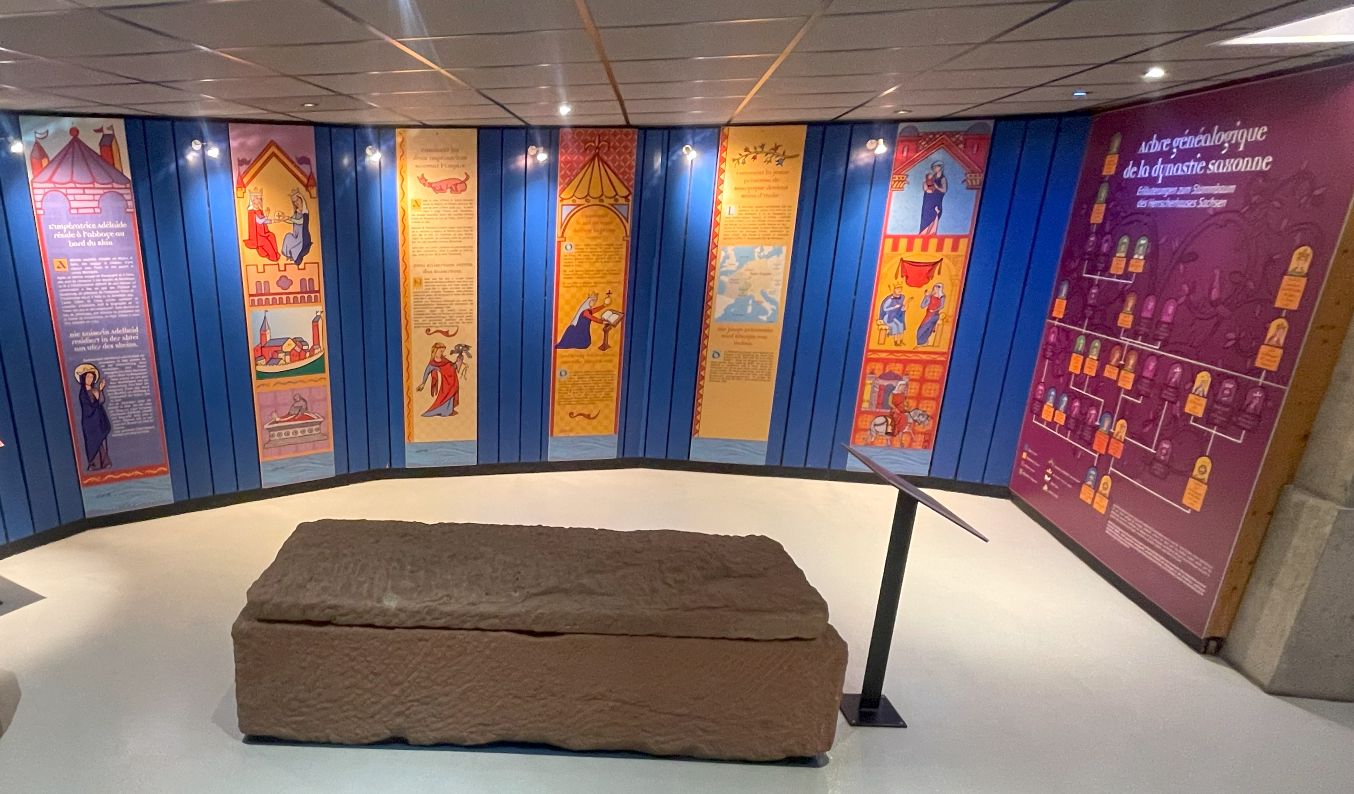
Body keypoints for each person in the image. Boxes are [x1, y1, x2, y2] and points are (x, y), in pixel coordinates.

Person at [75, 364, 112, 471]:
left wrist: (100, 390)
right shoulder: (83, 393)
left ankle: (104, 462)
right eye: (88, 377)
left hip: (97, 419)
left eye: (91, 377)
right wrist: (97, 395)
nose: (90, 379)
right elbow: (89, 406)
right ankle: (94, 464)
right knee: (92, 442)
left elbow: (101, 401)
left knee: (99, 441)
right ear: (83, 378)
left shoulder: (94, 390)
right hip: (89, 421)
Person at [416, 343, 461, 417]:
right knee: (443, 397)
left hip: (452, 381)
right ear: (435, 351)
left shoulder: (444, 360)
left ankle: (448, 411)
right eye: (441, 351)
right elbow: (427, 372)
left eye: (443, 351)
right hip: (445, 383)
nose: (442, 353)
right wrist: (423, 383)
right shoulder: (433, 363)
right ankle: (441, 411)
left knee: (450, 396)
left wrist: (457, 362)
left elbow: (452, 367)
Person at [243, 190, 279, 261]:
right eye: (257, 198)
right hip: (257, 236)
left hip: (263, 233)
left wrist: (273, 221)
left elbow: (264, 221)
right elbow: (259, 221)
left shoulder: (259, 210)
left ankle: (273, 254)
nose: (259, 200)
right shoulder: (251, 212)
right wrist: (266, 215)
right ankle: (273, 257)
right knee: (266, 243)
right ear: (253, 200)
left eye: (260, 198)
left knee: (271, 236)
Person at [281, 188, 313, 264]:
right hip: (296, 235)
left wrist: (290, 218)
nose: (296, 203)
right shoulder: (296, 212)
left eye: (297, 200)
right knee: (288, 236)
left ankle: (296, 258)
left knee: (297, 250)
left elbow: (300, 221)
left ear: (301, 199)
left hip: (302, 237)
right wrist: (284, 219)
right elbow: (291, 220)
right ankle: (288, 255)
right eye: (294, 202)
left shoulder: (305, 212)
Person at [919, 160, 947, 234]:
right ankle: (923, 234)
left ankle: (931, 233)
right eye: (933, 168)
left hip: (936, 200)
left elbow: (944, 190)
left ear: (940, 168)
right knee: (926, 216)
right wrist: (925, 182)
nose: (934, 169)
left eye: (935, 167)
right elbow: (926, 186)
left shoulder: (942, 178)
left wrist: (936, 187)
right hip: (928, 199)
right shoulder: (931, 177)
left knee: (934, 215)